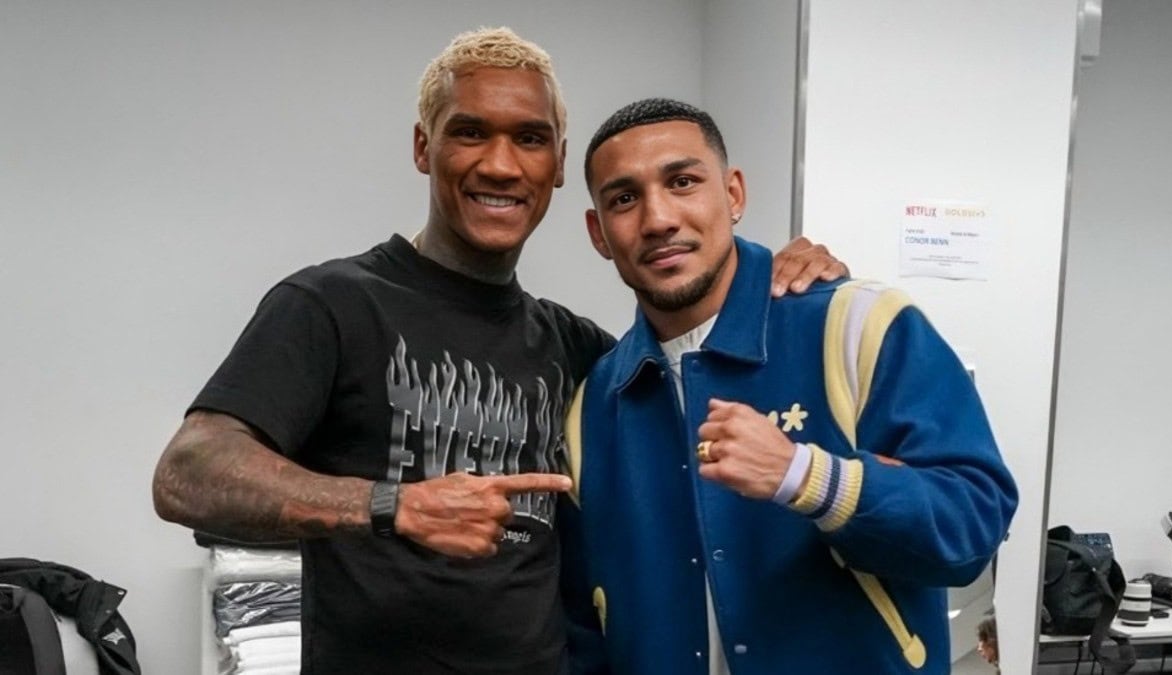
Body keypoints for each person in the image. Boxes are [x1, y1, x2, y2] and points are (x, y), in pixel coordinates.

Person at [151, 29, 847, 675]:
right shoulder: (334, 303)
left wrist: (768, 279)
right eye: (470, 133)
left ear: (558, 165)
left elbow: (695, 380)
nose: (501, 164)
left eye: (530, 138)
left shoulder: (577, 348)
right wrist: (393, 504)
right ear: (424, 148)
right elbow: (188, 472)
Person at [561, 98, 1019, 674]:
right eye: (624, 199)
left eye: (682, 181)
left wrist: (811, 478)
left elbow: (974, 526)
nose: (657, 218)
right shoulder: (594, 407)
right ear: (598, 232)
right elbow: (585, 627)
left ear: (733, 195)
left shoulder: (857, 326)